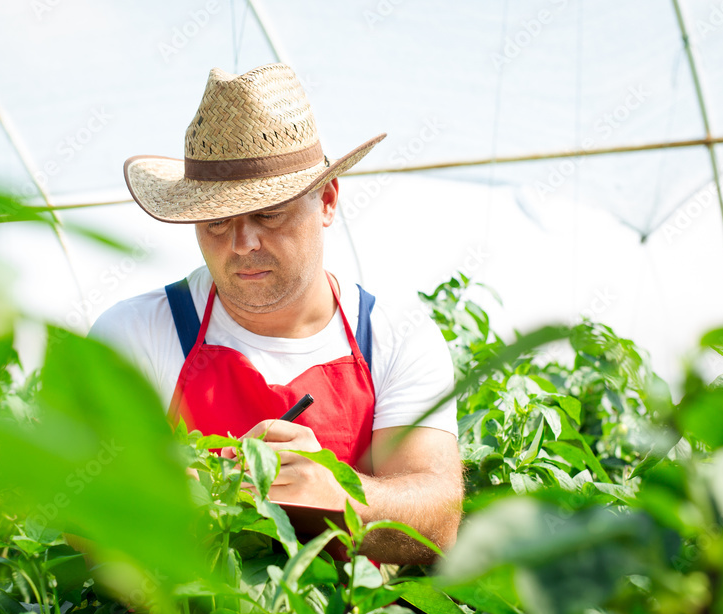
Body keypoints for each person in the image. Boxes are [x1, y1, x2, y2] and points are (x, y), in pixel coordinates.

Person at [88, 62, 461, 564]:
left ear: (327, 201)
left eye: (269, 214)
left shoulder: (394, 334)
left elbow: (438, 522)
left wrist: (340, 500)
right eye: (217, 221)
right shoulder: (135, 333)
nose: (242, 244)